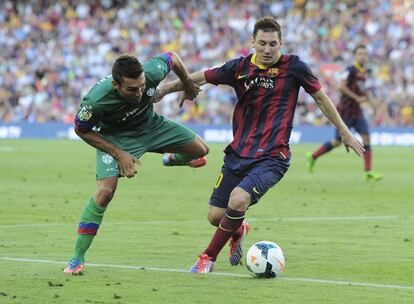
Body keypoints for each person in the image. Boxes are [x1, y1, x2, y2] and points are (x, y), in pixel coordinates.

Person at [154, 16, 365, 273]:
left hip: (273, 157)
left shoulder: (294, 66)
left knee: (238, 198)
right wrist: (167, 89)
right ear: (252, 42)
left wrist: (343, 131)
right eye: (262, 43)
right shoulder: (239, 68)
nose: (267, 49)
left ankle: (207, 258)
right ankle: (238, 229)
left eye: (273, 44)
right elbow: (202, 77)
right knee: (215, 216)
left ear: (281, 43)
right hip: (238, 153)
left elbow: (320, 98)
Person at [63, 52, 209, 275]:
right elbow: (81, 130)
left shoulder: (151, 72)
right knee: (105, 192)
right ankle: (77, 258)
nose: (140, 92)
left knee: (202, 150)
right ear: (116, 85)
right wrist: (119, 154)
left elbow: (173, 57)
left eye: (142, 86)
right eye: (132, 89)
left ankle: (171, 159)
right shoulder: (95, 101)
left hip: (150, 126)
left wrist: (187, 84)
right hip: (115, 138)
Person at [307, 45, 382, 180]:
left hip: (357, 112)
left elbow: (361, 90)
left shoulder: (364, 72)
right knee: (337, 141)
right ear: (355, 55)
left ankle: (368, 171)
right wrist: (357, 97)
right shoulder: (350, 70)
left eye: (364, 54)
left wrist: (367, 98)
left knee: (366, 138)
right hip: (346, 111)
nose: (362, 56)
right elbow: (341, 86)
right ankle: (313, 156)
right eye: (360, 53)